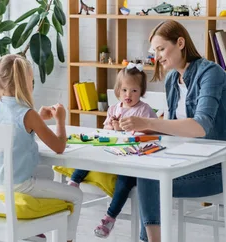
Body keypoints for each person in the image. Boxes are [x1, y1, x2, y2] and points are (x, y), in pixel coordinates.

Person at [118, 20, 226, 242]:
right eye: (155, 50)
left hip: (222, 169)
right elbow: (174, 128)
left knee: (149, 179)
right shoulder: (172, 79)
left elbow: (199, 126)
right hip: (188, 161)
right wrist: (144, 130)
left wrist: (148, 123)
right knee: (142, 170)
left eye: (161, 49)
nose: (157, 56)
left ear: (180, 43)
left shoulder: (211, 73)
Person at [0, 54, 83, 242]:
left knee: (47, 174)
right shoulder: (27, 114)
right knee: (76, 195)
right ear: (24, 82)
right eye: (31, 80)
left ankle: (35, 229)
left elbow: (18, 130)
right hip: (18, 186)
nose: (32, 84)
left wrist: (38, 119)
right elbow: (59, 147)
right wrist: (60, 119)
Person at [67, 63, 158, 238]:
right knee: (91, 150)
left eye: (134, 91)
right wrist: (112, 126)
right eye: (124, 90)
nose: (128, 95)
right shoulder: (114, 109)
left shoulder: (144, 110)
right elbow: (105, 131)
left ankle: (109, 218)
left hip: (131, 158)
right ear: (118, 90)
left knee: (125, 181)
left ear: (141, 91)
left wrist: (131, 129)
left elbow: (150, 132)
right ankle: (75, 180)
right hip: (110, 154)